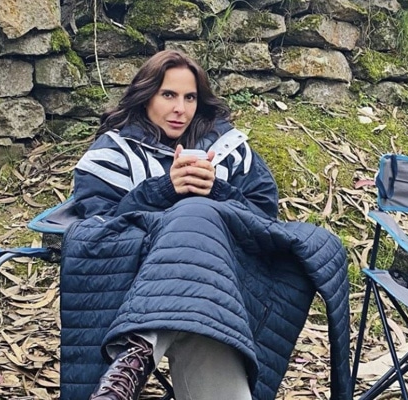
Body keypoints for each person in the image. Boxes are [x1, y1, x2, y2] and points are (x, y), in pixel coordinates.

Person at [61, 49, 351, 400]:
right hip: (148, 284)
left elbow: (262, 217)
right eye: (168, 95)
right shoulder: (113, 152)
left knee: (198, 215)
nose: (180, 109)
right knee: (195, 231)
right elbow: (100, 225)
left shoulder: (229, 148)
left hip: (231, 280)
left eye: (190, 97)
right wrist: (164, 190)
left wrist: (216, 190)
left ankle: (136, 354)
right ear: (146, 95)